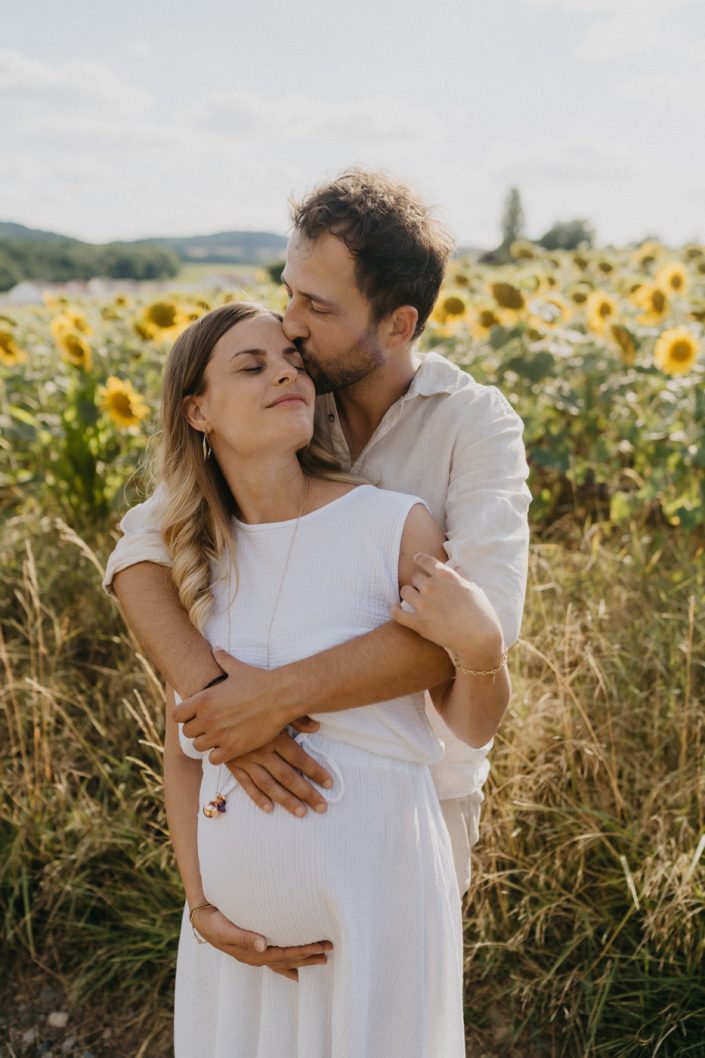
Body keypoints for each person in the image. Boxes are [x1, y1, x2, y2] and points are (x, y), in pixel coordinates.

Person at [103, 168, 531, 966]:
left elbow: (472, 635)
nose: (290, 326)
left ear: (397, 324)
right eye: (288, 292)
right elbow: (137, 552)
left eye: (318, 307)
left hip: (413, 802)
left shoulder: (472, 428)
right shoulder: (287, 395)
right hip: (248, 826)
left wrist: (271, 701)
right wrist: (218, 701)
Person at [152, 300, 510, 1056]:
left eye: (292, 362)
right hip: (235, 953)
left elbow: (471, 720)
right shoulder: (193, 557)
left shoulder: (393, 524)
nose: (286, 373)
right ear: (197, 412)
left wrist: (484, 648)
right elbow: (182, 750)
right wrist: (202, 905)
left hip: (378, 913)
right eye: (252, 366)